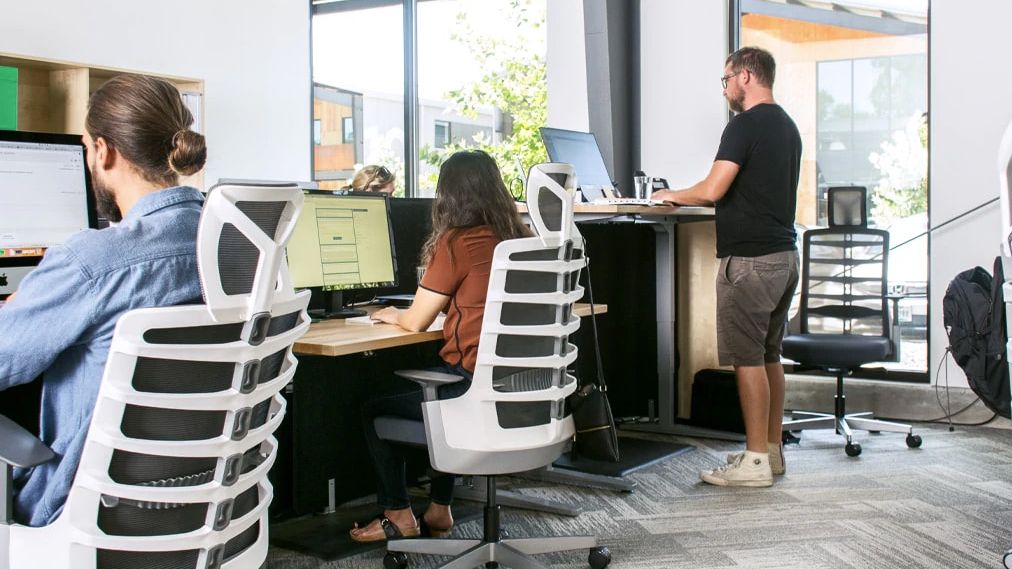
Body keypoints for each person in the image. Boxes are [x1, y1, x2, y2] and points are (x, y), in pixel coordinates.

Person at [0, 74, 207, 525]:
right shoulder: (237, 246)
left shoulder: (90, 261)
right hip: (206, 501)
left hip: (83, 507)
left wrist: (20, 310)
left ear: (102, 150)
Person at [349, 150, 529, 542]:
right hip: (524, 390)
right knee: (442, 391)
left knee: (376, 409)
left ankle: (399, 514)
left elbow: (416, 320)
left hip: (472, 391)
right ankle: (439, 508)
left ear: (448, 197)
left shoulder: (458, 242)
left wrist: (389, 314)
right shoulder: (520, 240)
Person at [652, 46, 801, 487]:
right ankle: (770, 452)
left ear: (747, 77)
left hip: (751, 263)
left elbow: (715, 188)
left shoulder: (745, 125)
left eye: (727, 79)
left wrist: (669, 194)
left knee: (747, 360)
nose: (726, 89)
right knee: (769, 355)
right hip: (783, 259)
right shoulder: (787, 126)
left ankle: (753, 462)